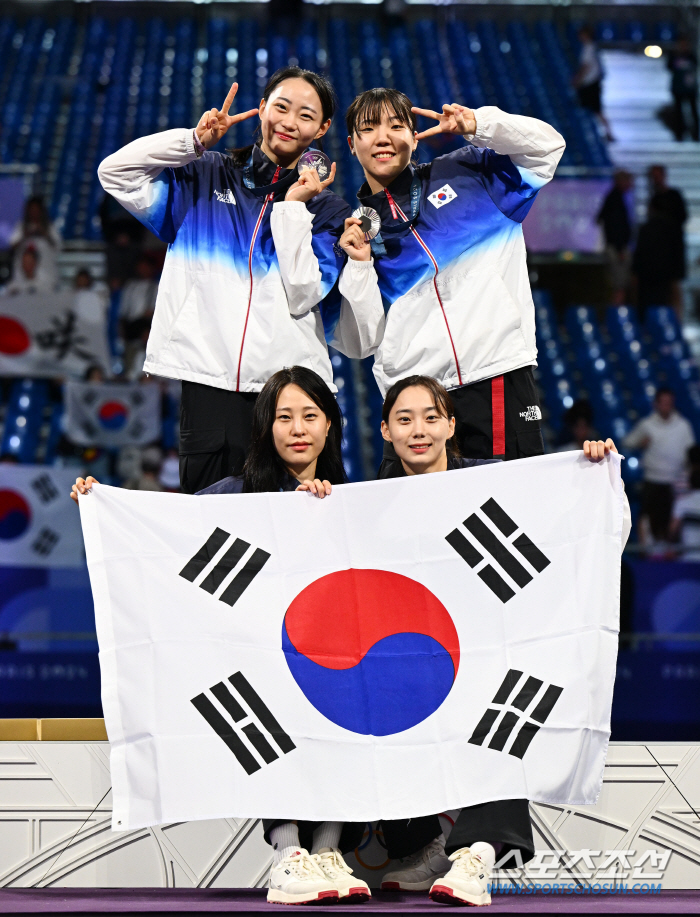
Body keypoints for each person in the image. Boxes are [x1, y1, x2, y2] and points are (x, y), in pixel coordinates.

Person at [71, 366, 371, 906]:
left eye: (310, 416)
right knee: (268, 710)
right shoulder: (235, 495)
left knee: (347, 708)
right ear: (265, 428)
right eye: (284, 417)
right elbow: (170, 533)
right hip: (259, 660)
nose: (297, 429)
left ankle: (330, 852)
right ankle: (288, 855)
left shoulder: (353, 500)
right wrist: (105, 504)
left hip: (330, 663)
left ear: (330, 425)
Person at [375, 374, 630, 907]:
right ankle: (428, 845)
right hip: (415, 665)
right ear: (384, 432)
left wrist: (591, 470)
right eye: (404, 419)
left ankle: (478, 851)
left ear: (450, 425)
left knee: (509, 693)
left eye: (429, 417)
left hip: (492, 654)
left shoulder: (496, 485)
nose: (418, 429)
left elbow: (572, 522)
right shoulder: (370, 506)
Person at [98, 68, 382, 495]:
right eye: (281, 107)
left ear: (322, 129)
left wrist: (291, 209)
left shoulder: (326, 211)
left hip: (291, 397)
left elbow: (304, 291)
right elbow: (114, 173)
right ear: (262, 107)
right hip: (208, 383)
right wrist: (190, 143)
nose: (289, 121)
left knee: (303, 539)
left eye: (306, 115)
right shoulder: (202, 175)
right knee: (213, 534)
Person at [342, 87, 565, 472]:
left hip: (492, 375)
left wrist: (480, 124)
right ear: (351, 143)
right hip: (413, 404)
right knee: (414, 527)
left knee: (509, 512)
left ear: (414, 136)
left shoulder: (470, 172)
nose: (383, 137)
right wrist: (360, 266)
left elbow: (547, 149)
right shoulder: (353, 233)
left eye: (397, 125)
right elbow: (360, 341)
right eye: (369, 128)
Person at [624, 388, 695, 545]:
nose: (666, 406)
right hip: (652, 481)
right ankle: (649, 557)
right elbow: (627, 442)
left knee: (671, 525)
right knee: (648, 523)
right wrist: (639, 443)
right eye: (663, 403)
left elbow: (691, 453)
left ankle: (670, 558)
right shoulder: (646, 424)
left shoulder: (683, 426)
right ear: (656, 404)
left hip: (674, 483)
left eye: (669, 403)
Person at [632, 200, 684, 316]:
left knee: (649, 304)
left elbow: (639, 253)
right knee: (664, 303)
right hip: (665, 273)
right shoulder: (672, 228)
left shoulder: (647, 228)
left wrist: (635, 271)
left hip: (649, 274)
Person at [9, 196, 61, 292]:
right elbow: (12, 247)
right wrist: (25, 236)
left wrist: (44, 234)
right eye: (32, 209)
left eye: (36, 209)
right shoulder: (21, 227)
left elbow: (58, 247)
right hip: (23, 277)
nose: (34, 212)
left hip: (46, 275)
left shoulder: (49, 228)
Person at [597, 170, 634, 305]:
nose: (631, 184)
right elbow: (616, 227)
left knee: (618, 286)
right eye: (629, 181)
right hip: (617, 249)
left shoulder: (615, 198)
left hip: (614, 247)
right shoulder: (615, 200)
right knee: (619, 286)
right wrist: (619, 249)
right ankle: (617, 315)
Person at [572, 26, 613, 142]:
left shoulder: (589, 48)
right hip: (590, 83)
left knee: (596, 110)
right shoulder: (591, 47)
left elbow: (586, 66)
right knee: (594, 110)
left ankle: (607, 132)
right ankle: (605, 132)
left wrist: (577, 79)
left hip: (590, 84)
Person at [667, 36, 699, 142]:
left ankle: (695, 134)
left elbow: (695, 65)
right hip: (678, 88)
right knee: (678, 113)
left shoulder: (690, 55)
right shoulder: (674, 55)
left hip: (690, 88)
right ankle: (679, 134)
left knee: (693, 112)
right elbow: (669, 67)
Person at [670, 449, 700, 561]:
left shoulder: (682, 503)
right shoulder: (681, 503)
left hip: (688, 558)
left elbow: (672, 531)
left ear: (690, 483)